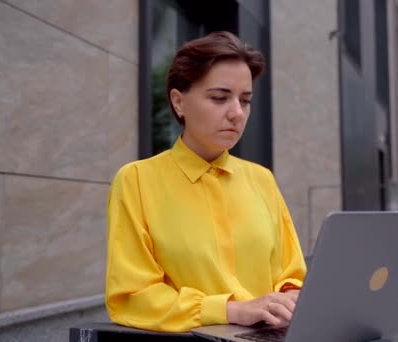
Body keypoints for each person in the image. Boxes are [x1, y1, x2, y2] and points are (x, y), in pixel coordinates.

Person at [105, 31, 307, 333]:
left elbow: (291, 275)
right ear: (178, 101)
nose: (237, 113)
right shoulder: (136, 181)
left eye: (245, 100)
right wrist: (231, 309)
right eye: (219, 97)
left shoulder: (262, 180)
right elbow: (132, 296)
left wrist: (291, 298)